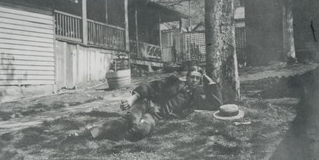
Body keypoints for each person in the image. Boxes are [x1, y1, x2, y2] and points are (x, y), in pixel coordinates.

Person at [67, 66, 223, 141]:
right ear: (187, 77)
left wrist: (210, 81)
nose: (194, 80)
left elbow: (216, 104)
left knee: (141, 130)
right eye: (192, 77)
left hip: (155, 115)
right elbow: (152, 86)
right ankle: (87, 133)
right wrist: (133, 98)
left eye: (198, 78)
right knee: (129, 120)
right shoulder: (173, 82)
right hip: (146, 104)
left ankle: (107, 136)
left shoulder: (195, 97)